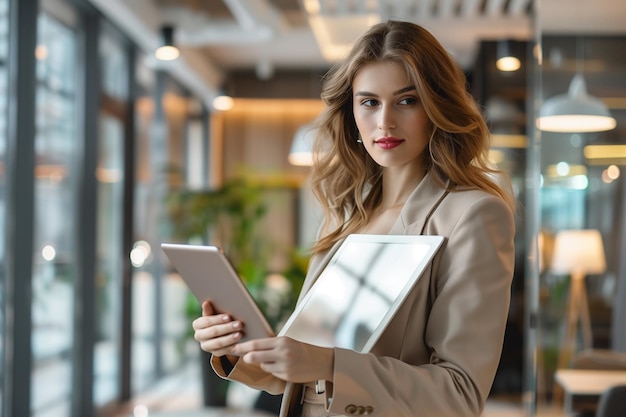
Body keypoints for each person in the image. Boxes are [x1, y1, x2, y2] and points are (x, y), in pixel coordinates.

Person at [193, 20, 516, 417]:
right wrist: (239, 348)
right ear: (351, 111)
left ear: (436, 106)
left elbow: (459, 394)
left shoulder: (472, 215)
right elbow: (299, 376)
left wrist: (328, 364)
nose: (385, 122)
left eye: (407, 100)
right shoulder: (344, 214)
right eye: (369, 102)